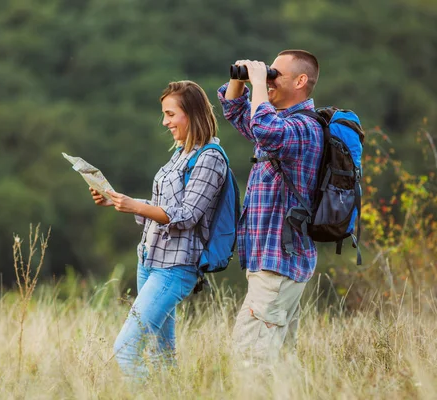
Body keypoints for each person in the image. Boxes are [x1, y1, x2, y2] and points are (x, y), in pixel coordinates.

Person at [90, 80, 228, 378]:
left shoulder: (210, 159)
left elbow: (188, 215)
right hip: (150, 261)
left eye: (170, 114)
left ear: (191, 114)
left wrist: (135, 206)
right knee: (162, 354)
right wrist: (117, 200)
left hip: (175, 268)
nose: (164, 122)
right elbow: (163, 206)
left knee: (126, 351)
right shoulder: (182, 152)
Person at [217, 50, 323, 362]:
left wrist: (261, 81)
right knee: (279, 364)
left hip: (279, 262)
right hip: (272, 261)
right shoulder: (284, 125)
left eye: (277, 74)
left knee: (250, 357)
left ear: (301, 81)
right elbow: (237, 111)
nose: (270, 79)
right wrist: (241, 78)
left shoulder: (304, 128)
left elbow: (264, 127)